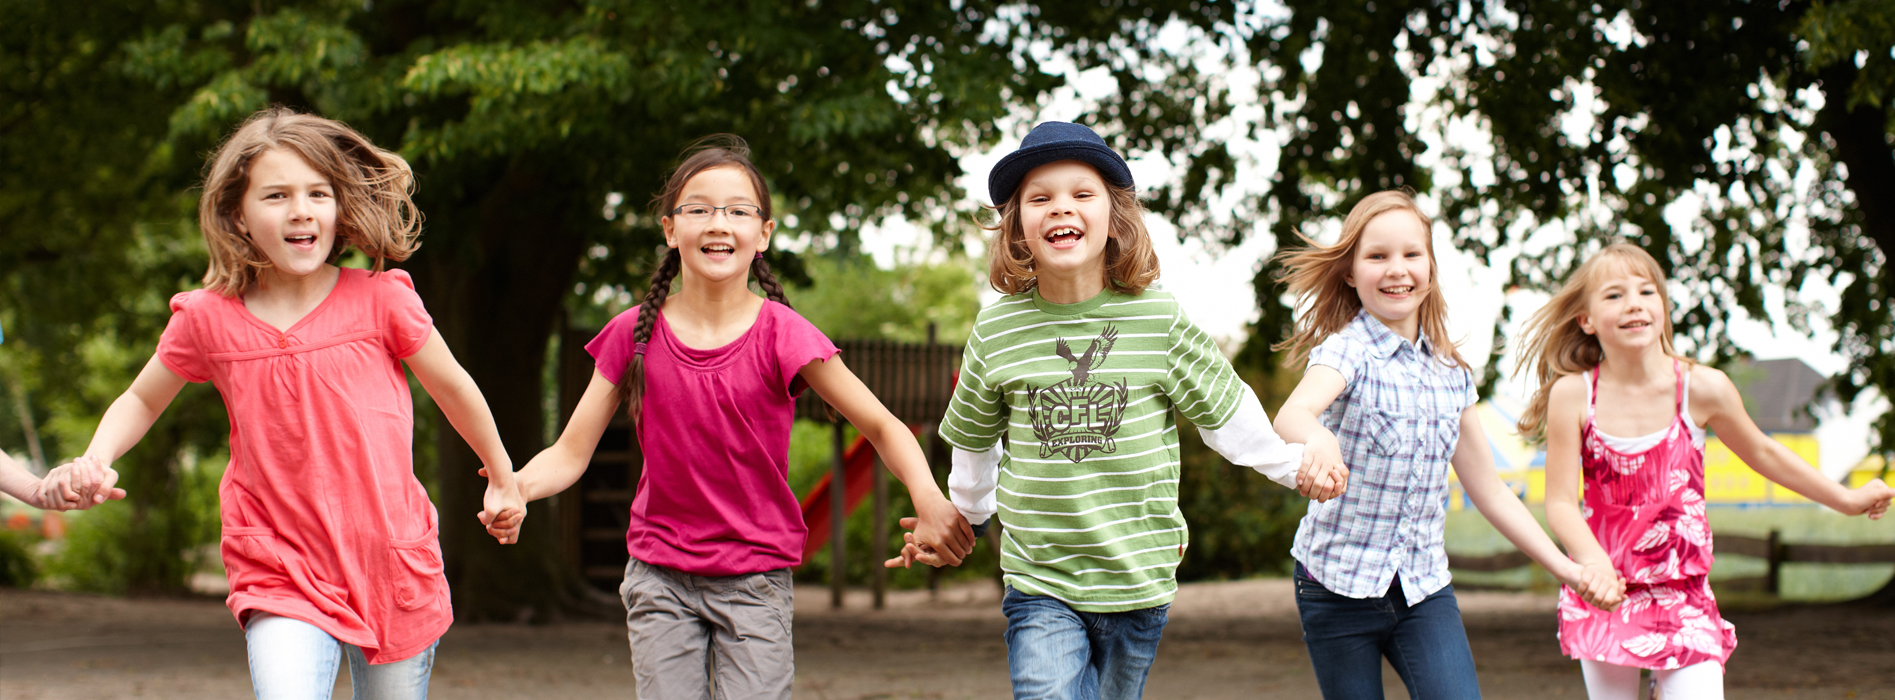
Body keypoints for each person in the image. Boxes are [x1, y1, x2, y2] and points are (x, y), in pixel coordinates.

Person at [70, 106, 523, 700]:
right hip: (278, 566)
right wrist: (97, 456)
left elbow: (454, 387)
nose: (301, 210)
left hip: (390, 559)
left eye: (318, 193)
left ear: (340, 208)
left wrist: (502, 476)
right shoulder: (208, 318)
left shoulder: (383, 302)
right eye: (277, 195)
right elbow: (140, 398)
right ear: (238, 213)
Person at [509, 135, 973, 700]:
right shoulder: (633, 333)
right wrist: (517, 487)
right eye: (698, 209)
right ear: (670, 229)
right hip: (659, 577)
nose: (717, 223)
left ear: (764, 234)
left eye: (737, 211)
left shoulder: (784, 333)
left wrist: (928, 499)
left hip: (755, 580)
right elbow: (569, 451)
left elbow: (883, 426)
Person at [927, 121, 1310, 700]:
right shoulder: (998, 328)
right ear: (1017, 227)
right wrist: (967, 517)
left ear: (1115, 217)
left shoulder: (1156, 319)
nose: (1062, 208)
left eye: (1082, 194)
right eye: (1040, 198)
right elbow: (976, 438)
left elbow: (1225, 411)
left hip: (1138, 572)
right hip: (1040, 577)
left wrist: (1291, 465)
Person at [1270, 190, 1625, 700]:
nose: (1397, 269)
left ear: (1431, 267)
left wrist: (1568, 569)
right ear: (1350, 272)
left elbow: (1492, 492)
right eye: (1377, 256)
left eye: (1412, 254)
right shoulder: (1346, 351)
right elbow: (1293, 415)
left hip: (1423, 590)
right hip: (1335, 585)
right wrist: (1320, 438)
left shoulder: (1451, 373)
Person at [1514, 241, 1893, 700]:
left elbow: (1765, 454)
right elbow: (1558, 501)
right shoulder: (1574, 396)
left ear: (1663, 307)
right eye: (1614, 295)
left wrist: (1845, 499)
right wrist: (1590, 561)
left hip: (1684, 596)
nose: (1634, 303)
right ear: (1586, 320)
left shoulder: (1701, 387)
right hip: (1605, 592)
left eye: (1646, 291)